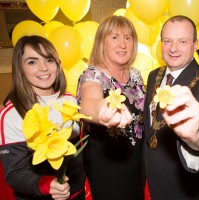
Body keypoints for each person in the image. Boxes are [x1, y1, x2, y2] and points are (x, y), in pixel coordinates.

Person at [144, 15, 199, 199]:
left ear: (195, 44)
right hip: (153, 180)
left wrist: (194, 138)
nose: (173, 48)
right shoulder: (153, 76)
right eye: (167, 41)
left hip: (187, 187)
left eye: (182, 41)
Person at [0, 35, 86, 200]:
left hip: (76, 194)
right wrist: (47, 185)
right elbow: (15, 173)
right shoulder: (11, 113)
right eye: (32, 62)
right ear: (20, 68)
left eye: (49, 60)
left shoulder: (70, 100)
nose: (43, 68)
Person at [76, 16, 146, 200]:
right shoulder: (92, 74)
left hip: (137, 160)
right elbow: (89, 103)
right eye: (114, 37)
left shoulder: (136, 75)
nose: (122, 44)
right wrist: (102, 110)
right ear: (101, 42)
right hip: (108, 164)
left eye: (128, 38)